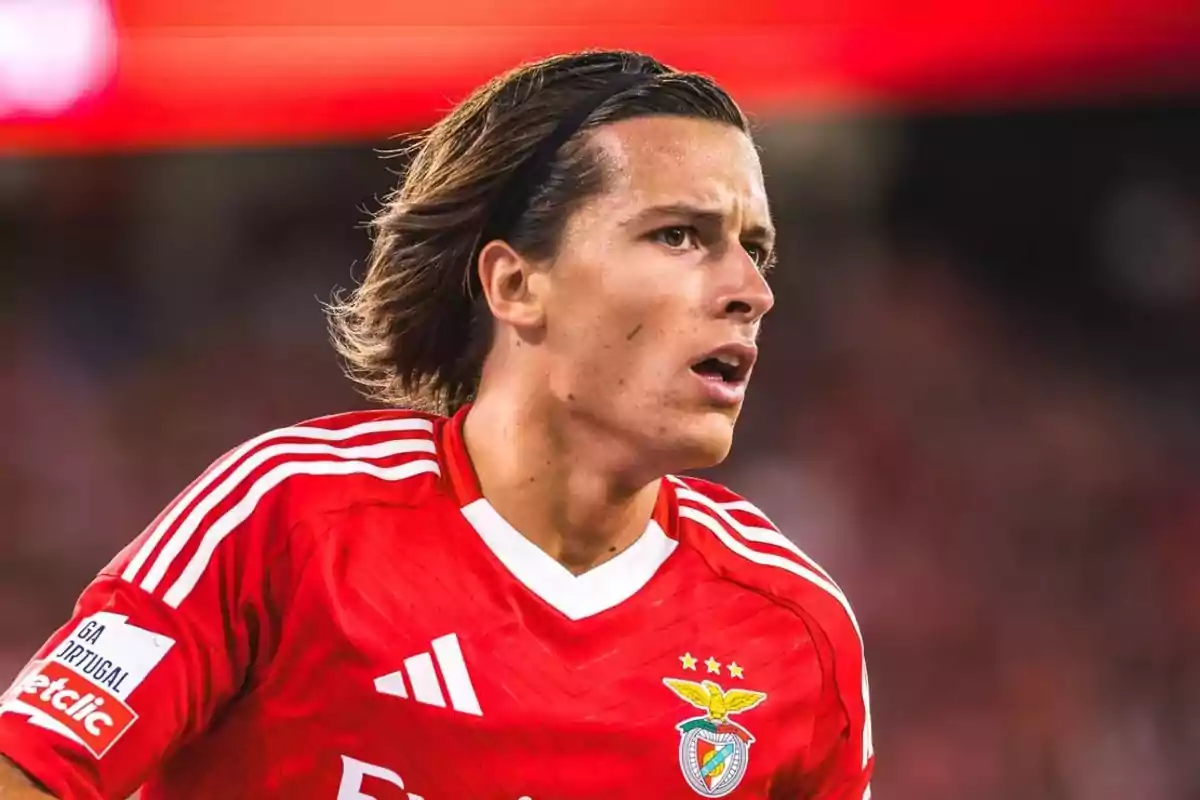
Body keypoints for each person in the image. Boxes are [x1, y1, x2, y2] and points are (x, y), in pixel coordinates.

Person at [0, 50, 873, 799]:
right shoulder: (290, 518)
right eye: (681, 235)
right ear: (514, 285)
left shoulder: (792, 629)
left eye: (754, 251)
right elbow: (31, 769)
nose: (750, 291)